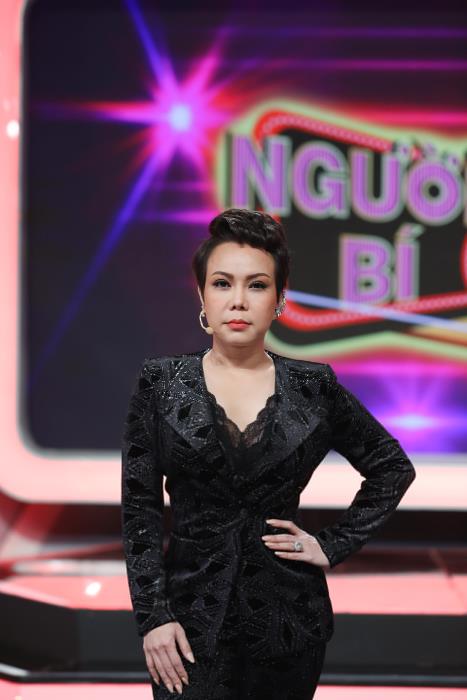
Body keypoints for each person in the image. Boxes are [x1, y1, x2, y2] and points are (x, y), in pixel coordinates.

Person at [121, 208, 416, 699]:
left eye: (256, 285)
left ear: (279, 299)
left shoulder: (314, 387)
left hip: (289, 624)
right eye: (222, 283)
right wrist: (152, 617)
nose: (238, 300)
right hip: (188, 626)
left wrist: (332, 544)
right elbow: (140, 508)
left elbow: (391, 467)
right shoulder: (161, 383)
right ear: (202, 295)